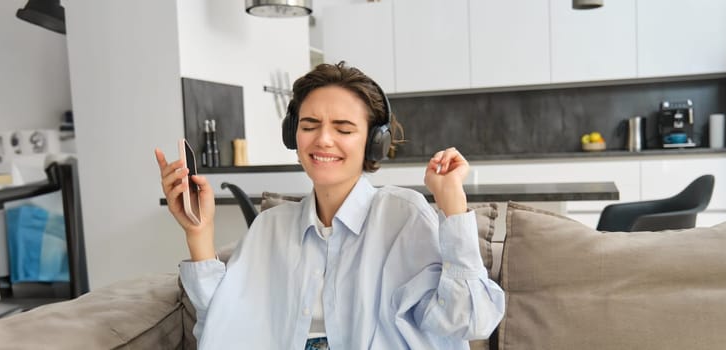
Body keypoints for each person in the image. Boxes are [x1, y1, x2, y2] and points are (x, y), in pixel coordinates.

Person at [154, 62, 505, 349]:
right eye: (310, 125)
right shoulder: (270, 226)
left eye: (344, 128)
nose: (323, 139)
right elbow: (224, 324)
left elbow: (469, 320)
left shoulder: (402, 215)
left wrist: (454, 209)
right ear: (294, 134)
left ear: (374, 142)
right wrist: (199, 234)